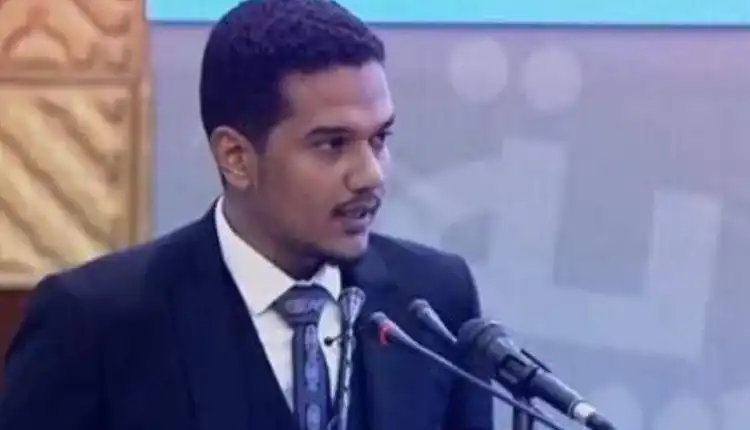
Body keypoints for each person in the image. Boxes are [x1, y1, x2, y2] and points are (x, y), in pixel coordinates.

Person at [0, 1, 493, 429]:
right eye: (333, 144)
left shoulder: (434, 299)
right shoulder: (96, 323)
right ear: (236, 157)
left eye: (379, 139)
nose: (371, 175)